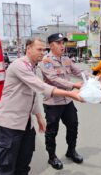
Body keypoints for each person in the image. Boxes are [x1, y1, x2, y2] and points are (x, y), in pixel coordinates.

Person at [0, 38, 80, 175]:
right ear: (28, 48)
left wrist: (39, 116)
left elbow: (32, 96)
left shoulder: (33, 67)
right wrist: (72, 93)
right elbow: (41, 87)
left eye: (43, 50)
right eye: (39, 49)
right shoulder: (19, 65)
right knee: (6, 168)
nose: (42, 53)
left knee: (23, 165)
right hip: (10, 125)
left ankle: (71, 150)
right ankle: (52, 156)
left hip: (26, 124)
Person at [39, 33, 88, 170]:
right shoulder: (46, 61)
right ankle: (52, 157)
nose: (62, 46)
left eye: (63, 43)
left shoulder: (66, 59)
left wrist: (94, 77)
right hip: (53, 103)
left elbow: (78, 71)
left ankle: (71, 151)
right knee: (52, 131)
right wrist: (73, 85)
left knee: (73, 125)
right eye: (59, 43)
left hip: (67, 101)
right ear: (51, 45)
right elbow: (53, 79)